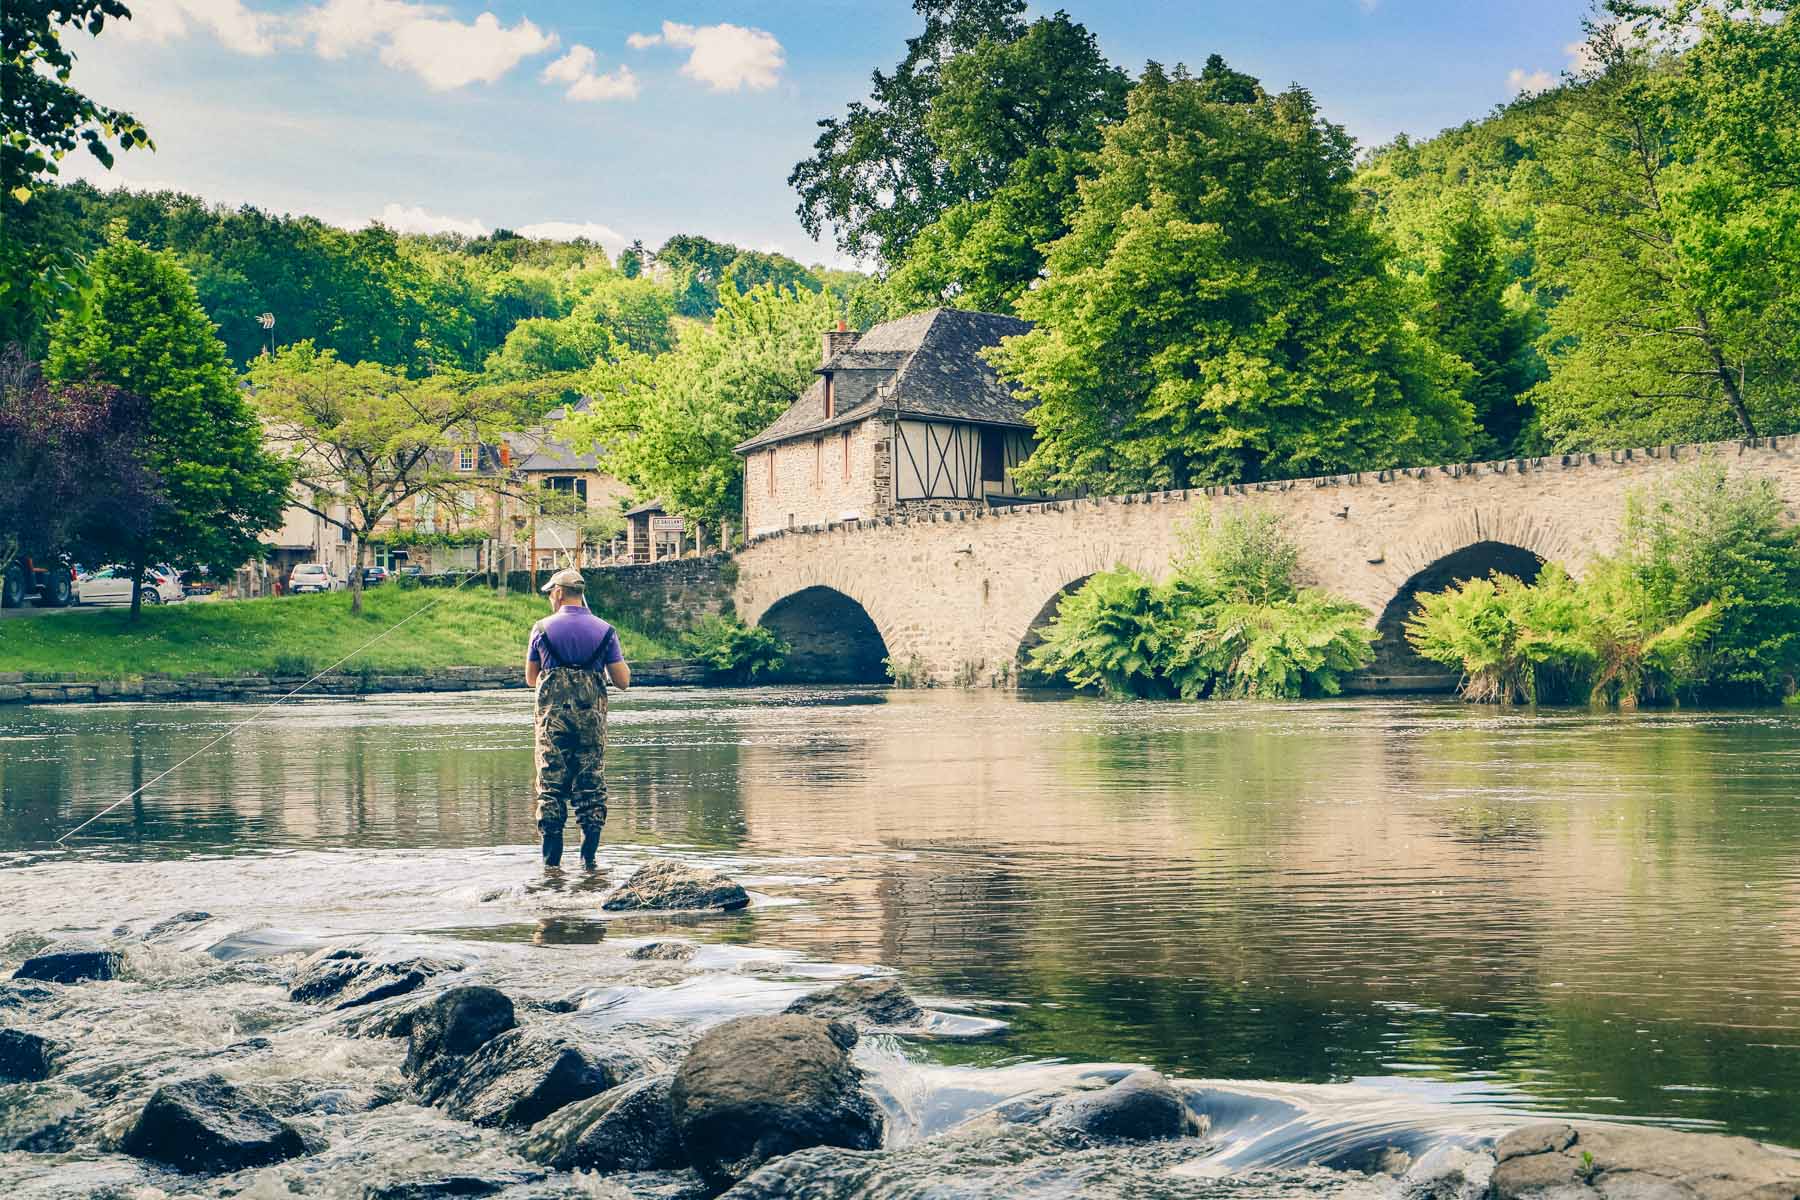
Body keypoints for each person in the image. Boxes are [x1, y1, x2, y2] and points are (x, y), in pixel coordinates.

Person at [525, 567, 630, 868]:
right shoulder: (606, 630)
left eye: (550, 594)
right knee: (591, 787)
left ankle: (551, 866)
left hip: (552, 724)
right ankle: (589, 862)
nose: (550, 598)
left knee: (550, 789)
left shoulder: (541, 628)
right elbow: (623, 681)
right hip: (591, 724)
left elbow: (531, 678)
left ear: (558, 593)